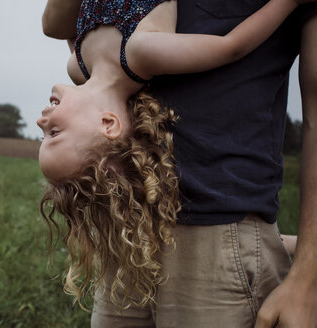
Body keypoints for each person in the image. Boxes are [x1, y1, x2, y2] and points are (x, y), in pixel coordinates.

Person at [40, 0, 317, 327]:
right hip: (129, 242)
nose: (41, 120)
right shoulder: (128, 56)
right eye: (53, 132)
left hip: (219, 239)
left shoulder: (85, 64)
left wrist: (308, 277)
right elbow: (53, 24)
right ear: (109, 124)